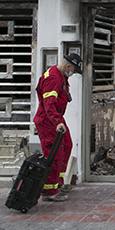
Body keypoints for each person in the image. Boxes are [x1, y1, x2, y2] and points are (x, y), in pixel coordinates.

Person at [33, 53, 83, 202]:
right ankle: (49, 191)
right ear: (68, 66)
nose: (72, 74)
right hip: (49, 122)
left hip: (56, 119)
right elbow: (49, 105)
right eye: (73, 71)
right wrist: (56, 122)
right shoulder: (54, 78)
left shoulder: (61, 76)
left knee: (66, 146)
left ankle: (58, 183)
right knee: (53, 155)